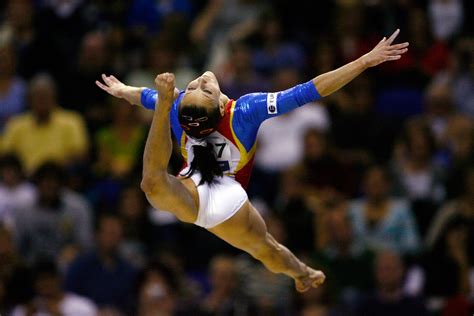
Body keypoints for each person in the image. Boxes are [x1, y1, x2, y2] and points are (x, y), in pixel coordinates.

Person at [96, 29, 409, 292]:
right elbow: (146, 97)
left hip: (224, 197)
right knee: (151, 183)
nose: (200, 81)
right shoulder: (192, 107)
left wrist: (364, 61)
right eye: (197, 88)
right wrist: (143, 97)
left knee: (267, 250)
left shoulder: (245, 111)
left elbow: (308, 91)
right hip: (188, 189)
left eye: (196, 86)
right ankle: (300, 270)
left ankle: (302, 272)